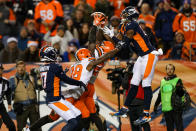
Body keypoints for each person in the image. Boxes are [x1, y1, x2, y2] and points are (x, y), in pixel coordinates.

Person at [103, 6, 163, 125]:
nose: (122, 16)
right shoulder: (124, 26)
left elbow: (123, 45)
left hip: (150, 55)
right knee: (134, 82)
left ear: (130, 16)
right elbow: (116, 43)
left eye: (125, 14)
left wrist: (112, 35)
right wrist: (107, 33)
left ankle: (146, 114)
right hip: (141, 57)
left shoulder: (133, 25)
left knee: (146, 83)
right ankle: (125, 109)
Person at [39, 46, 87, 131]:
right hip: (55, 100)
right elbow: (66, 79)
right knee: (73, 122)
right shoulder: (55, 67)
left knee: (78, 115)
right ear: (50, 55)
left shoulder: (42, 67)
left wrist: (61, 74)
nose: (55, 55)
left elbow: (52, 78)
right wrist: (79, 83)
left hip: (56, 98)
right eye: (54, 53)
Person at [9, 60, 41, 131]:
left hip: (33, 106)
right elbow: (8, 93)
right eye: (19, 67)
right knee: (21, 129)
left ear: (25, 67)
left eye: (23, 66)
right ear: (16, 68)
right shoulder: (12, 80)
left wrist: (38, 78)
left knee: (37, 128)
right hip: (21, 108)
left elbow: (39, 88)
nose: (21, 68)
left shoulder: (31, 77)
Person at [153, 64, 184, 131]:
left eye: (171, 69)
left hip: (176, 109)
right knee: (169, 129)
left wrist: (180, 89)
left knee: (179, 128)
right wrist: (156, 105)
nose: (169, 70)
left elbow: (181, 94)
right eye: (168, 69)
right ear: (166, 70)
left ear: (174, 70)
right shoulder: (162, 81)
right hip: (167, 109)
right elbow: (160, 95)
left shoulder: (178, 80)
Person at [0, 64, 16, 131]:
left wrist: (9, 103)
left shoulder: (5, 81)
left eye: (0, 69)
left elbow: (8, 93)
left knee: (11, 126)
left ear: (2, 70)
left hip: (0, 105)